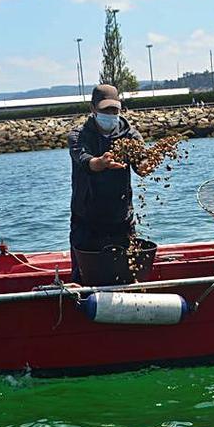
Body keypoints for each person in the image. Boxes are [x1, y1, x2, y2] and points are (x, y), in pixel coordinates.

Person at [68, 84, 148, 283]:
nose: (111, 114)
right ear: (93, 109)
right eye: (105, 110)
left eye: (115, 110)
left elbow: (141, 165)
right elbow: (86, 161)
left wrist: (146, 165)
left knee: (127, 275)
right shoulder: (79, 135)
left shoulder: (131, 135)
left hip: (121, 219)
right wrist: (101, 163)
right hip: (86, 219)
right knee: (83, 277)